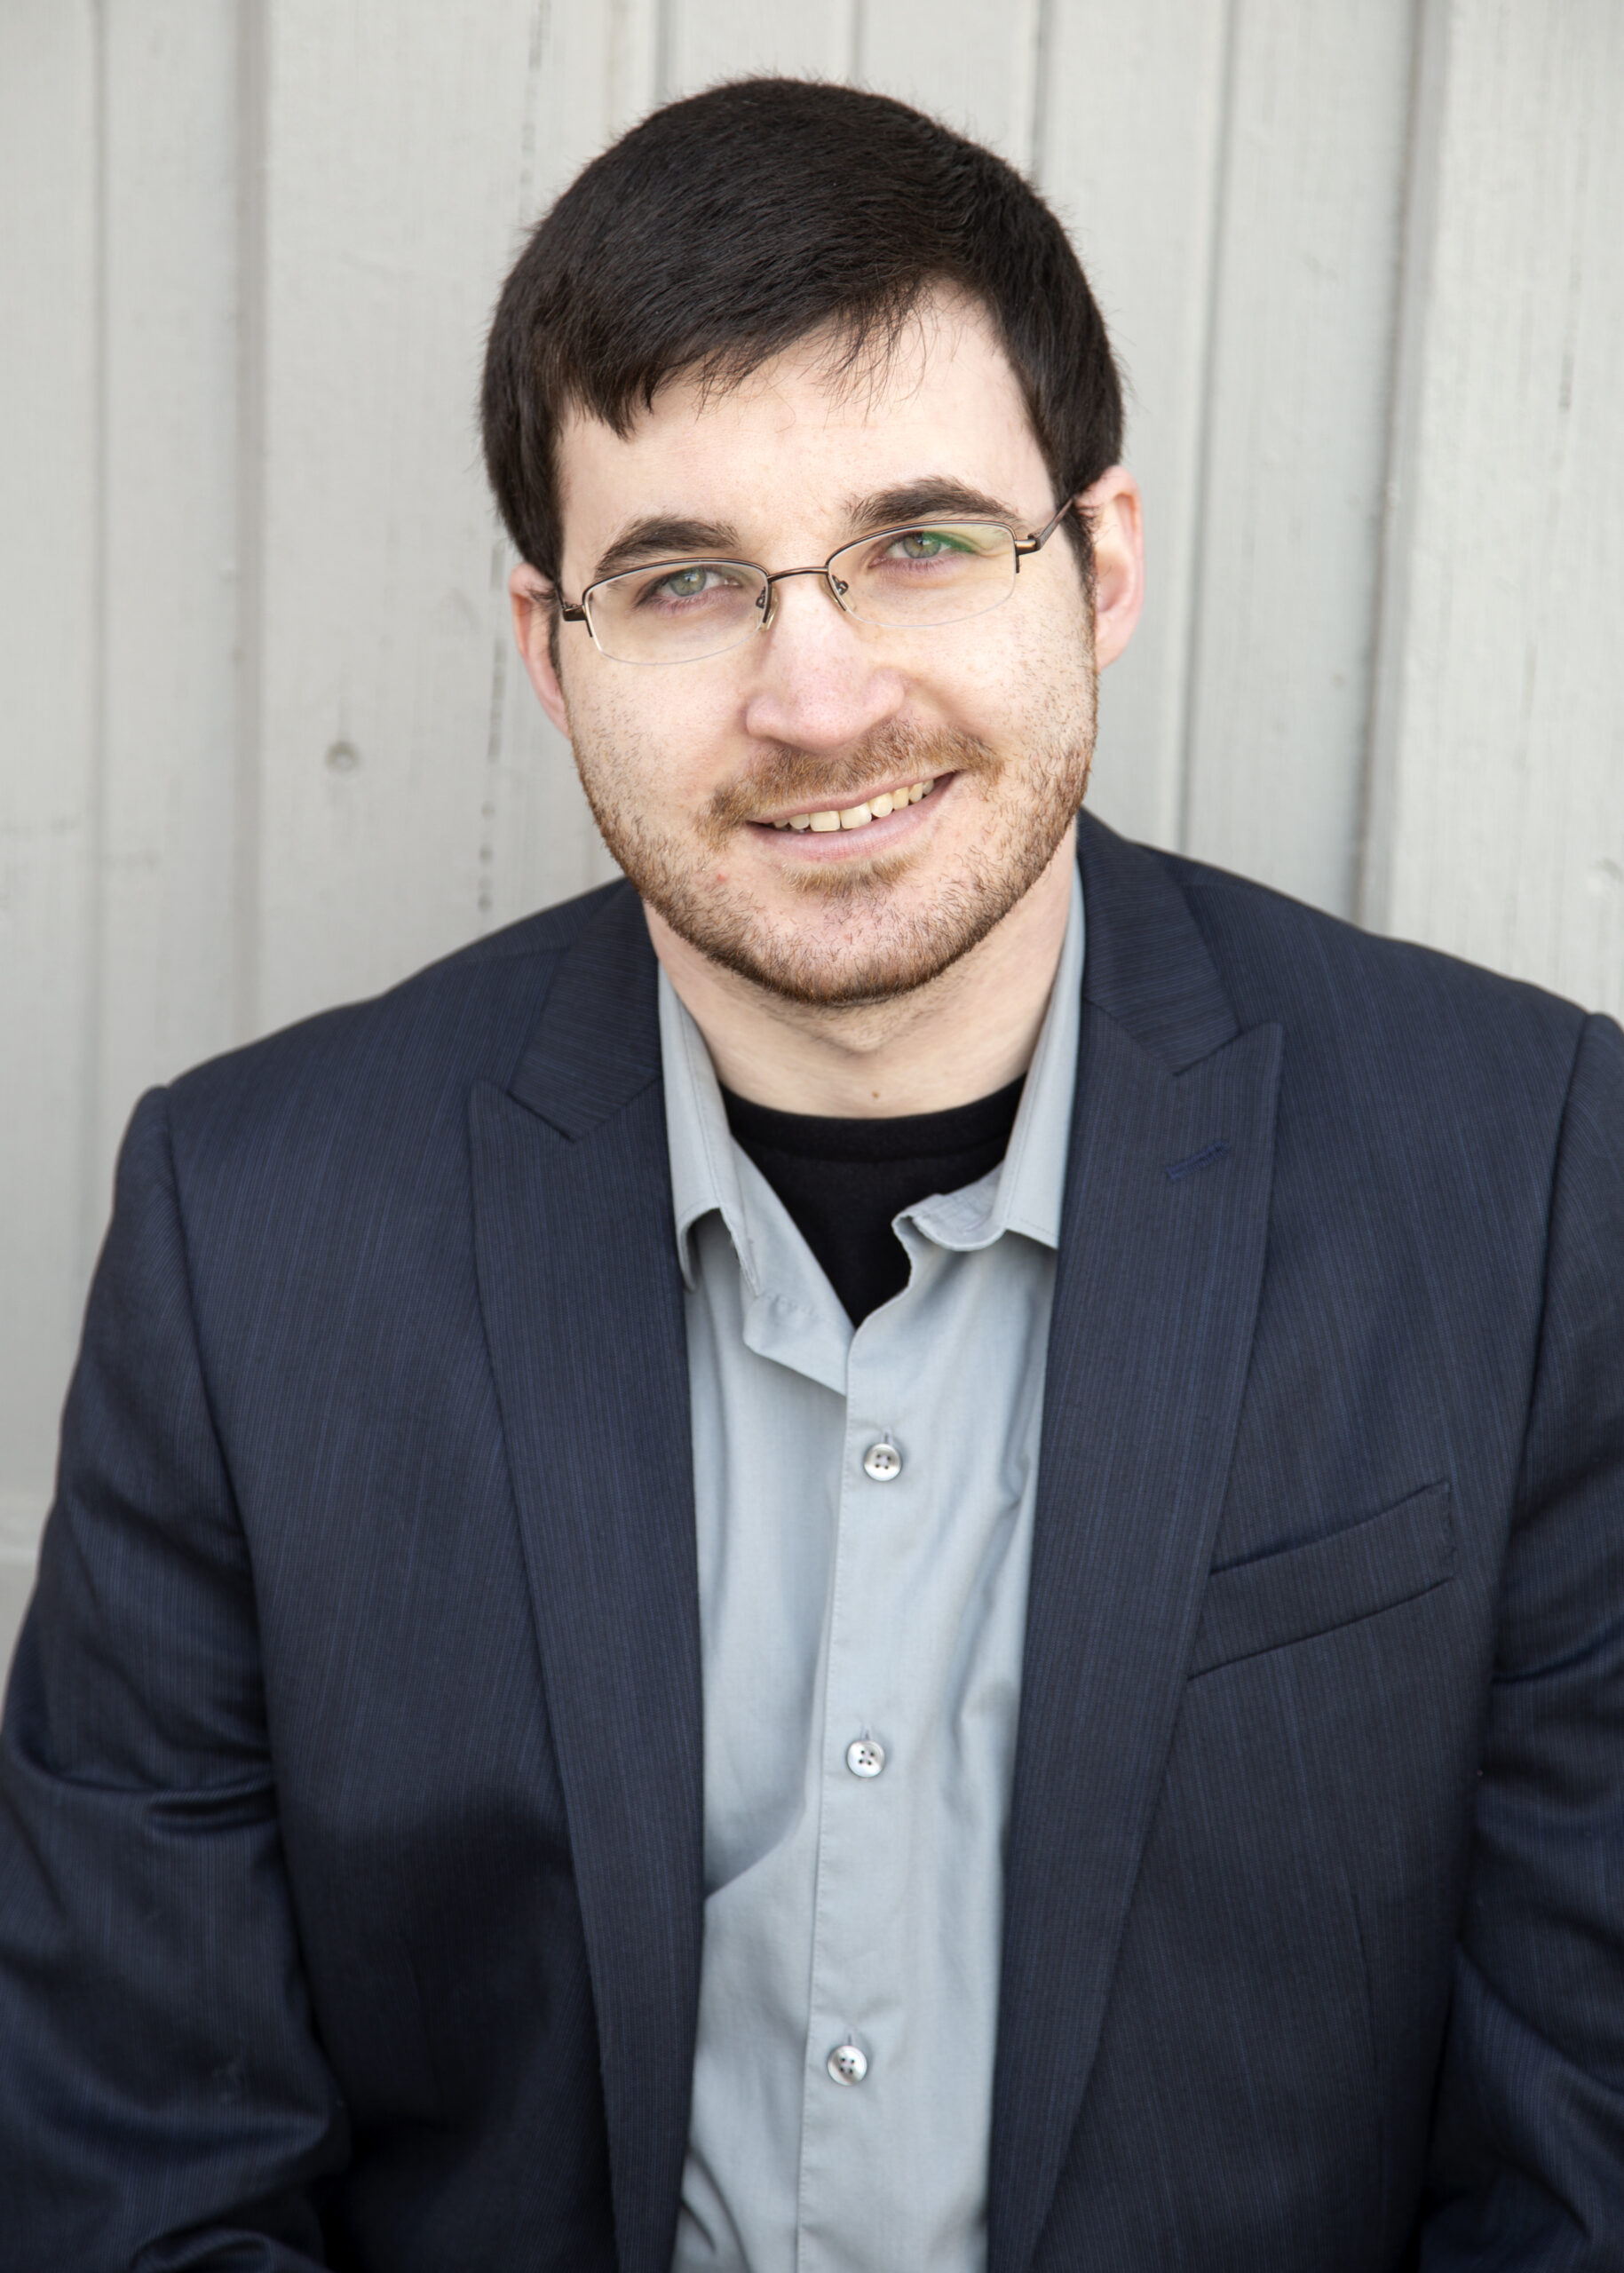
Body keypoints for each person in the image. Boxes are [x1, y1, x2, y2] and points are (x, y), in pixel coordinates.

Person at [2, 73, 1620, 2273]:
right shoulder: (248, 1230)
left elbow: (1581, 2153)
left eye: (923, 540)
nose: (818, 692)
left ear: (1104, 564)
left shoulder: (1526, 1181)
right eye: (680, 582)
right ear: (547, 656)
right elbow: (137, 2165)